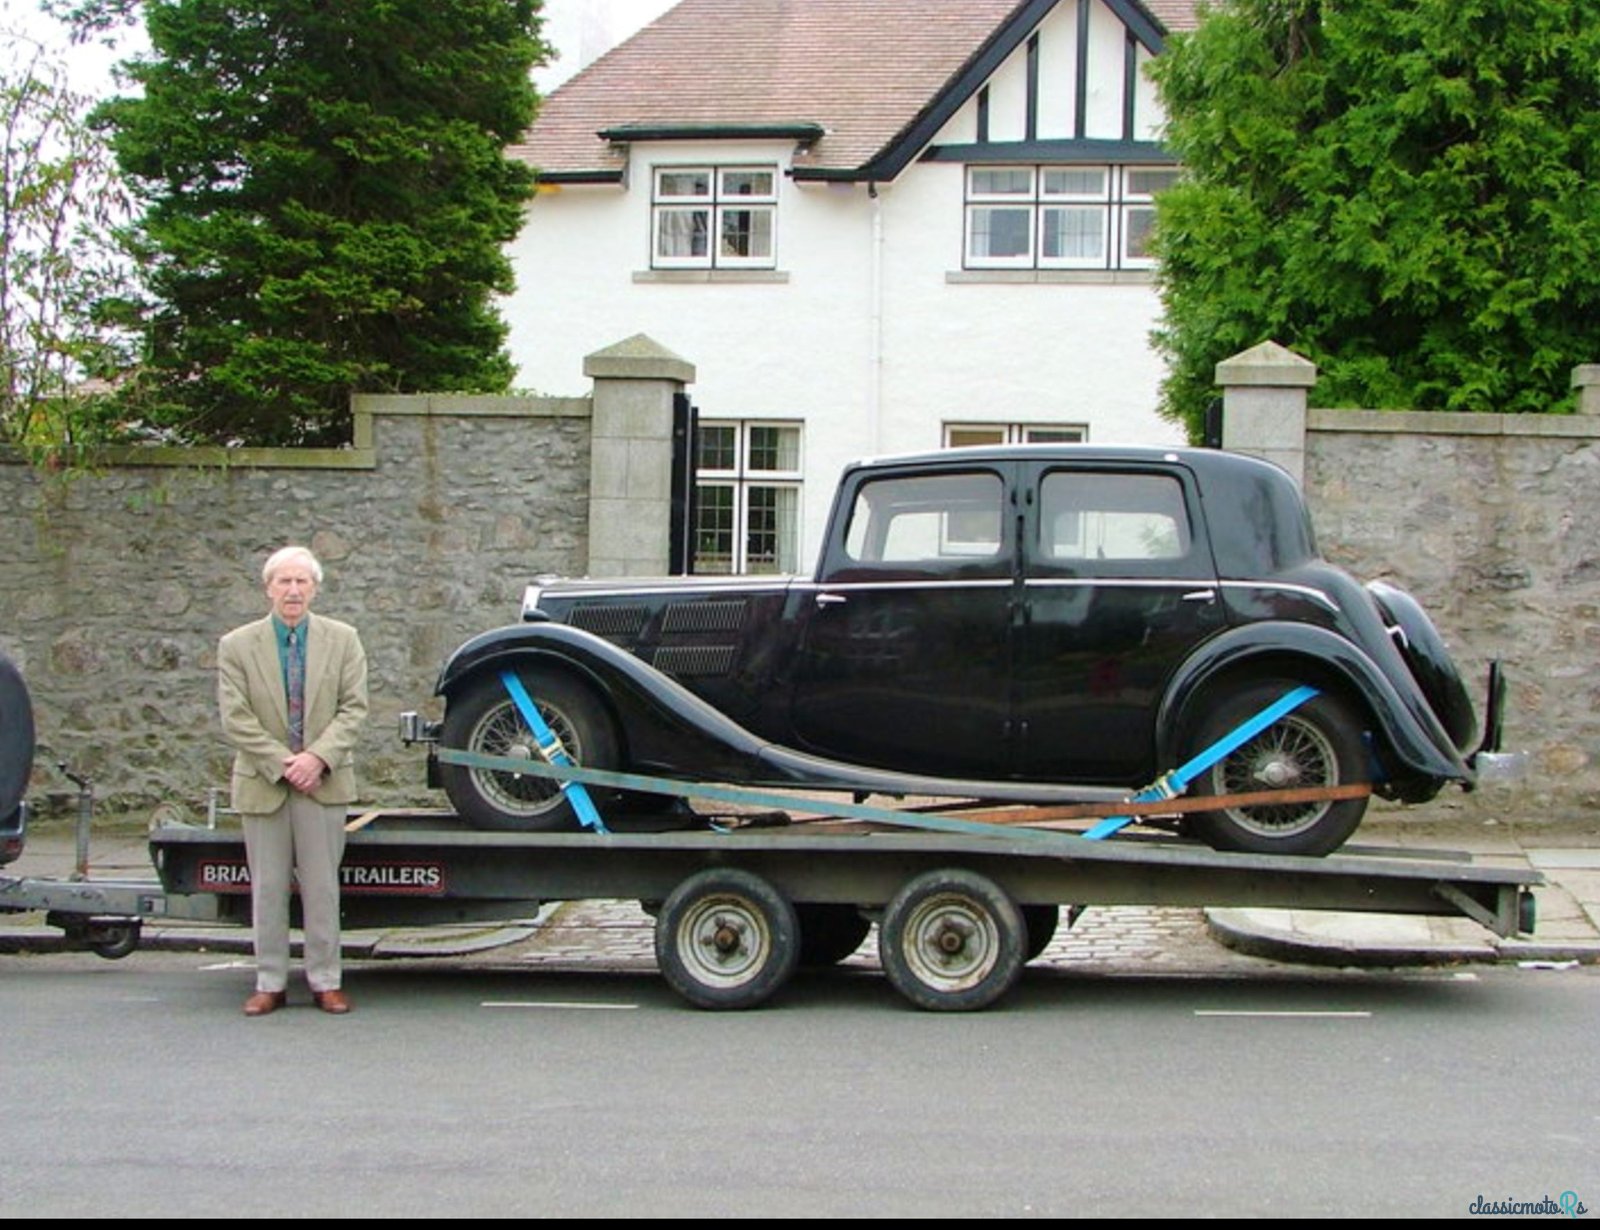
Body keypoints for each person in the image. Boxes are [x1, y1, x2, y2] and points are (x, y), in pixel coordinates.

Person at [217, 545, 368, 1016]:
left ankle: (326, 980)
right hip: (266, 783)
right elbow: (235, 718)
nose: (294, 590)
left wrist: (317, 759)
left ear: (315, 589)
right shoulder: (237, 645)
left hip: (322, 783)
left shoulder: (343, 640)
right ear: (268, 588)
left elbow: (354, 709)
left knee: (322, 887)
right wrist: (285, 762)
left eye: (302, 582)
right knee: (267, 887)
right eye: (284, 581)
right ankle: (270, 981)